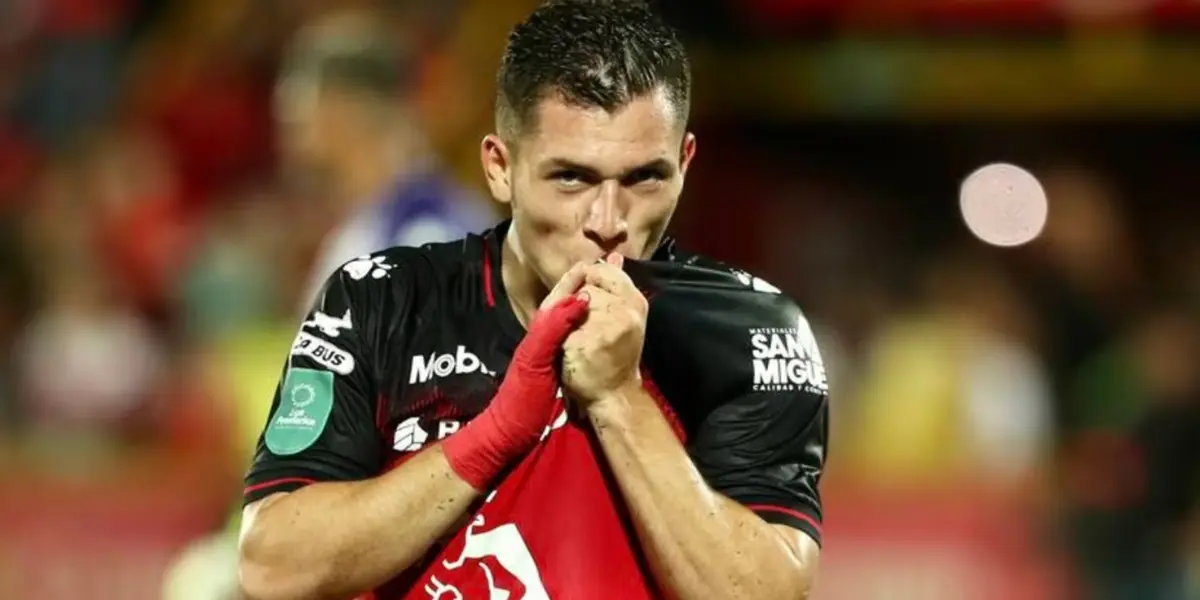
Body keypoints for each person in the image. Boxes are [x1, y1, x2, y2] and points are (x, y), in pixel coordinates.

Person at [238, 2, 827, 599]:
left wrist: (617, 397)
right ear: (499, 167)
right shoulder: (384, 300)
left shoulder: (751, 334)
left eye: (644, 178)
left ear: (684, 162)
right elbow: (273, 569)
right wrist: (493, 434)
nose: (608, 221)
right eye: (571, 178)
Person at [277, 7, 494, 312]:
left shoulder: (428, 235)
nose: (286, 115)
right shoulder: (367, 224)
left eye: (301, 99)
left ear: (346, 108)